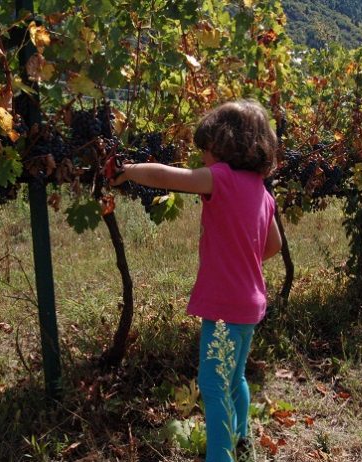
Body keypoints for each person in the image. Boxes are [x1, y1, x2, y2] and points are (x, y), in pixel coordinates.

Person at [109, 99, 282, 461]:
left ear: (222, 147)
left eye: (204, 150)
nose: (202, 158)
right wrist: (242, 258)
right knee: (235, 380)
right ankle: (242, 438)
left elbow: (169, 177)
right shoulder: (263, 192)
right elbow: (273, 246)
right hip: (251, 303)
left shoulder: (220, 177)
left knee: (213, 385)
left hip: (224, 305)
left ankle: (221, 457)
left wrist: (127, 170)